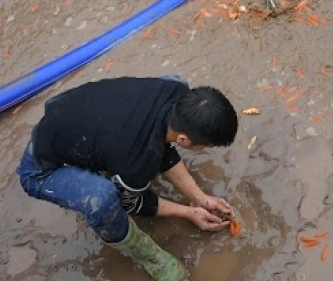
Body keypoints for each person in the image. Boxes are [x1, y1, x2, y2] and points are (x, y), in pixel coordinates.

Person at [17, 76, 239, 281]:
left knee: (173, 77)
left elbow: (160, 144)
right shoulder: (136, 160)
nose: (206, 149)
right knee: (104, 199)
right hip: (42, 168)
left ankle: (103, 160)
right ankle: (146, 255)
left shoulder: (175, 91)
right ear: (183, 139)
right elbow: (133, 203)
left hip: (65, 114)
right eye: (207, 146)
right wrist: (188, 212)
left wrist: (199, 197)